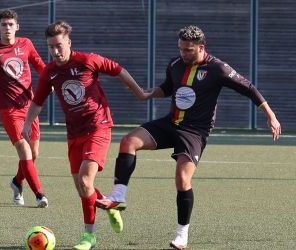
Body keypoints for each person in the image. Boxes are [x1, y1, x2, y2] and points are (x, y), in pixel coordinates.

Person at [95, 25, 281, 250]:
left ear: (201, 48)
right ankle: (119, 195)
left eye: (189, 50)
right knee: (128, 141)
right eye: (181, 49)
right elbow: (167, 88)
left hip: (195, 131)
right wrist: (148, 94)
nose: (183, 54)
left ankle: (182, 234)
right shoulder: (175, 64)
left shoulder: (218, 69)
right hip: (170, 123)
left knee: (182, 180)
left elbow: (249, 88)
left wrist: (271, 117)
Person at [21, 20, 151, 250]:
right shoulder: (50, 72)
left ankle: (89, 236)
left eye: (59, 45)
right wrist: (27, 123)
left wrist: (139, 92)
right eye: (50, 47)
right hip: (74, 133)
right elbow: (38, 101)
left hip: (98, 127)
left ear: (69, 42)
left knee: (84, 181)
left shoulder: (87, 60)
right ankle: (110, 206)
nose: (55, 51)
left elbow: (119, 70)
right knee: (83, 188)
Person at [0, 9, 48, 208]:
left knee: (34, 153)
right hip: (8, 110)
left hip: (30, 108)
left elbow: (41, 67)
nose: (7, 28)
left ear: (17, 26)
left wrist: (54, 80)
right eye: (4, 24)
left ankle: (17, 182)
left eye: (11, 24)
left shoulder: (26, 44)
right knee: (24, 150)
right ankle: (40, 195)